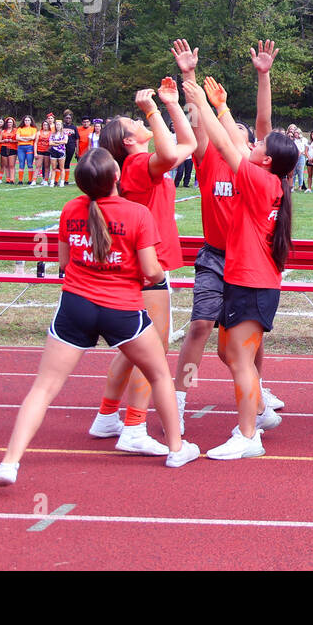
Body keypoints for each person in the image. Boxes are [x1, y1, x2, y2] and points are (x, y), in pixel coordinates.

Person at [0, 148, 200, 493]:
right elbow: (153, 271)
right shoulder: (137, 213)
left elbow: (64, 262)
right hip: (122, 308)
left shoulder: (71, 209)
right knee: (159, 375)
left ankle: (9, 462)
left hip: (75, 306)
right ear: (116, 178)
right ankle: (177, 449)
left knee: (43, 389)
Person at [171, 39, 286, 430]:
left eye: (240, 130)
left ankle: (257, 388)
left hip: (249, 264)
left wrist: (263, 77)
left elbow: (263, 124)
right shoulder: (208, 161)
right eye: (229, 127)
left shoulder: (256, 172)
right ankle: (180, 398)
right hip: (216, 257)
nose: (235, 131)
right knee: (202, 325)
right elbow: (196, 123)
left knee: (246, 339)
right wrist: (188, 75)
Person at [88, 80, 196, 454]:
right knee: (153, 350)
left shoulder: (137, 160)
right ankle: (133, 427)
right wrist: (153, 110)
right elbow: (169, 155)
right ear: (128, 140)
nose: (136, 119)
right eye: (130, 120)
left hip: (139, 263)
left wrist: (169, 104)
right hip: (148, 266)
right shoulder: (135, 163)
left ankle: (106, 417)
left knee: (133, 347)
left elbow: (188, 145)